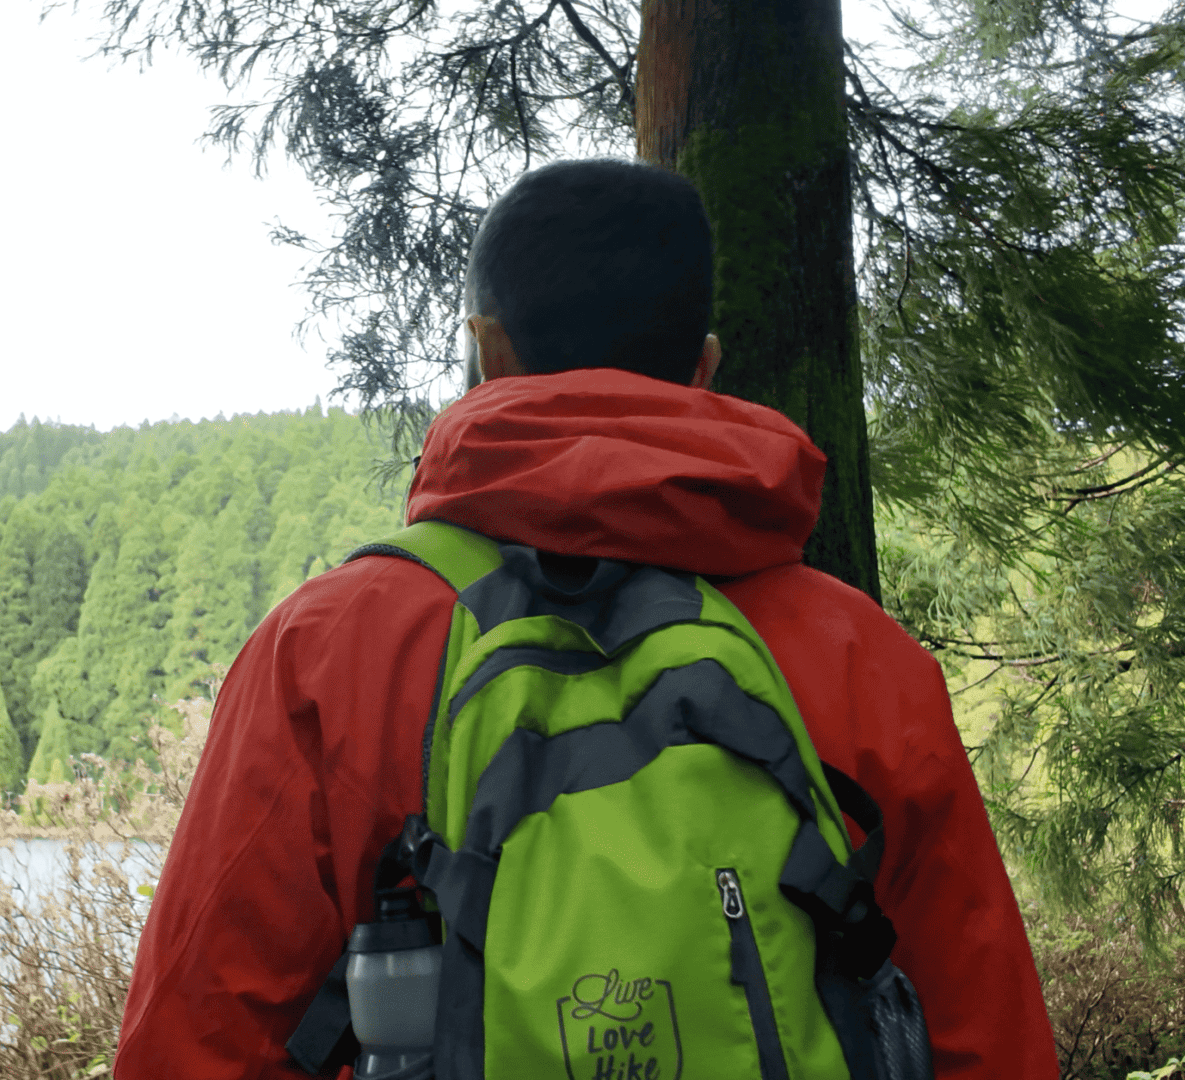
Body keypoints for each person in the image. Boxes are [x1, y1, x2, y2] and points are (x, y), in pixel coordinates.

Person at [115, 158, 1056, 1079]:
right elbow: (985, 1029)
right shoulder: (861, 658)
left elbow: (197, 1038)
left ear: (487, 353)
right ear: (705, 367)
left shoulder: (330, 648)